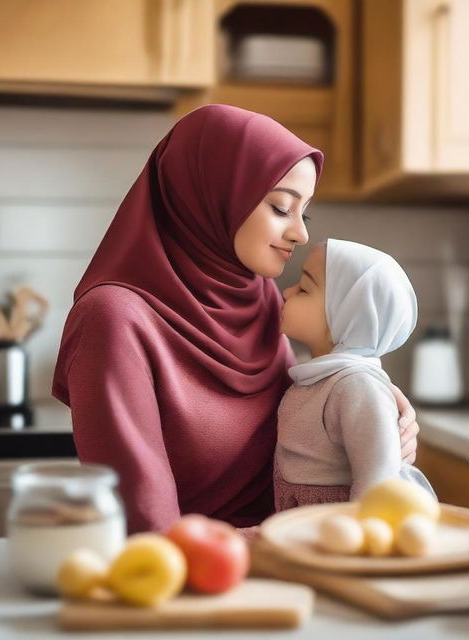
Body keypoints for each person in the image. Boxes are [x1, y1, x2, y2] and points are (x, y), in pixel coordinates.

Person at [51, 104, 420, 536]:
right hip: (200, 572)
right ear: (210, 195)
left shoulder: (260, 298)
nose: (300, 233)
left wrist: (376, 409)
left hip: (298, 554)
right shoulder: (112, 319)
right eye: (282, 208)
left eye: (305, 213)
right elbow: (145, 525)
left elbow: (305, 418)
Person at [274, 240, 434, 511]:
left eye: (303, 289)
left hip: (341, 528)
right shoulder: (322, 378)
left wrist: (359, 539)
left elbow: (377, 484)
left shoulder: (356, 386)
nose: (287, 292)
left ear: (346, 317)